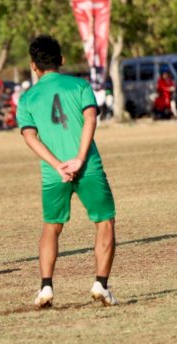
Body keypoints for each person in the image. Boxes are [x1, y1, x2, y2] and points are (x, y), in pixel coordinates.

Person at [16, 35, 117, 308]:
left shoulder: (27, 98)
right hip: (88, 167)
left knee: (52, 227)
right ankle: (101, 284)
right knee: (105, 222)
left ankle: (46, 288)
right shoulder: (80, 85)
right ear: (61, 60)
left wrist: (56, 165)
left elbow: (29, 137)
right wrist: (79, 159)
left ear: (33, 65)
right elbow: (90, 118)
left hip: (54, 174)